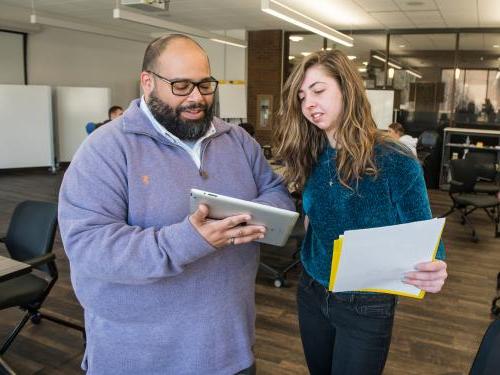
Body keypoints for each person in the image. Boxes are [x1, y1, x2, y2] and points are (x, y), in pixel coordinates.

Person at [58, 34, 294, 374]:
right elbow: (89, 247)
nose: (197, 98)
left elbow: (275, 192)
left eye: (205, 85)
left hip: (231, 349)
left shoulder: (238, 141)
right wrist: (190, 240)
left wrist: (244, 217)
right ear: (148, 82)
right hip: (140, 358)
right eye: (181, 86)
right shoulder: (105, 149)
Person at [274, 50, 447, 375]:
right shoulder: (310, 154)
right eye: (302, 95)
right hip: (312, 290)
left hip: (366, 303)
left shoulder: (393, 158)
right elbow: (315, 220)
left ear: (346, 89)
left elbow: (424, 233)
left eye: (318, 90)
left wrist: (435, 265)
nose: (309, 102)